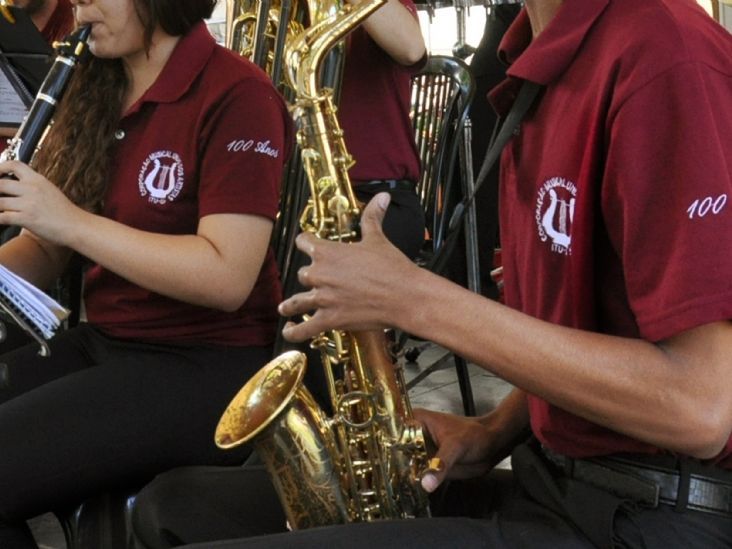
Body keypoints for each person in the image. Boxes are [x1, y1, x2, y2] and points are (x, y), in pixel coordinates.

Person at [141, 0, 732, 548]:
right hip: (554, 481)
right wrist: (492, 430)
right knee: (171, 507)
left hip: (650, 516)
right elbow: (591, 325)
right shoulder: (537, 50)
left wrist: (414, 298)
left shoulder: (667, 58)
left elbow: (700, 407)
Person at [130, 0, 430, 547]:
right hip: (285, 196)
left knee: (307, 360)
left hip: (366, 203)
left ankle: (319, 509)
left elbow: (411, 46)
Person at [0, 0, 292, 547]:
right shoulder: (95, 86)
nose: (79, 4)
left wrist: (71, 222)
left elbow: (226, 276)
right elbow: (46, 247)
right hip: (108, 344)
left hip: (209, 365)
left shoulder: (240, 94)